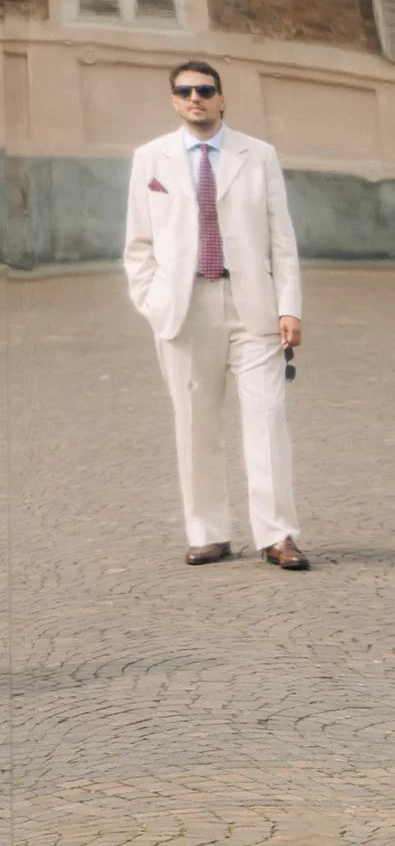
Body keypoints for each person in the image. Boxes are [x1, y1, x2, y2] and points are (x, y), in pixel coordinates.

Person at [123, 61, 308, 571]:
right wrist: (154, 301)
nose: (195, 98)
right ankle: (208, 532)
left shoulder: (258, 155)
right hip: (185, 309)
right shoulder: (150, 159)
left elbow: (281, 240)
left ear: (222, 99)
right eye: (184, 91)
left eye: (205, 90)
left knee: (267, 419)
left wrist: (289, 305)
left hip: (254, 308)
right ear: (174, 101)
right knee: (194, 424)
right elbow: (137, 244)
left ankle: (277, 534)